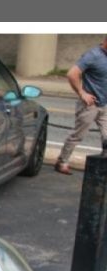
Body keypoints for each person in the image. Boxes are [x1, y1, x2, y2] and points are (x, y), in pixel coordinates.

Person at [55, 36, 107, 175]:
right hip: (89, 104)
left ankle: (104, 164)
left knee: (106, 135)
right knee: (78, 135)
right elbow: (72, 74)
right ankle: (62, 161)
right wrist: (82, 93)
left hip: (104, 104)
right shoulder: (93, 55)